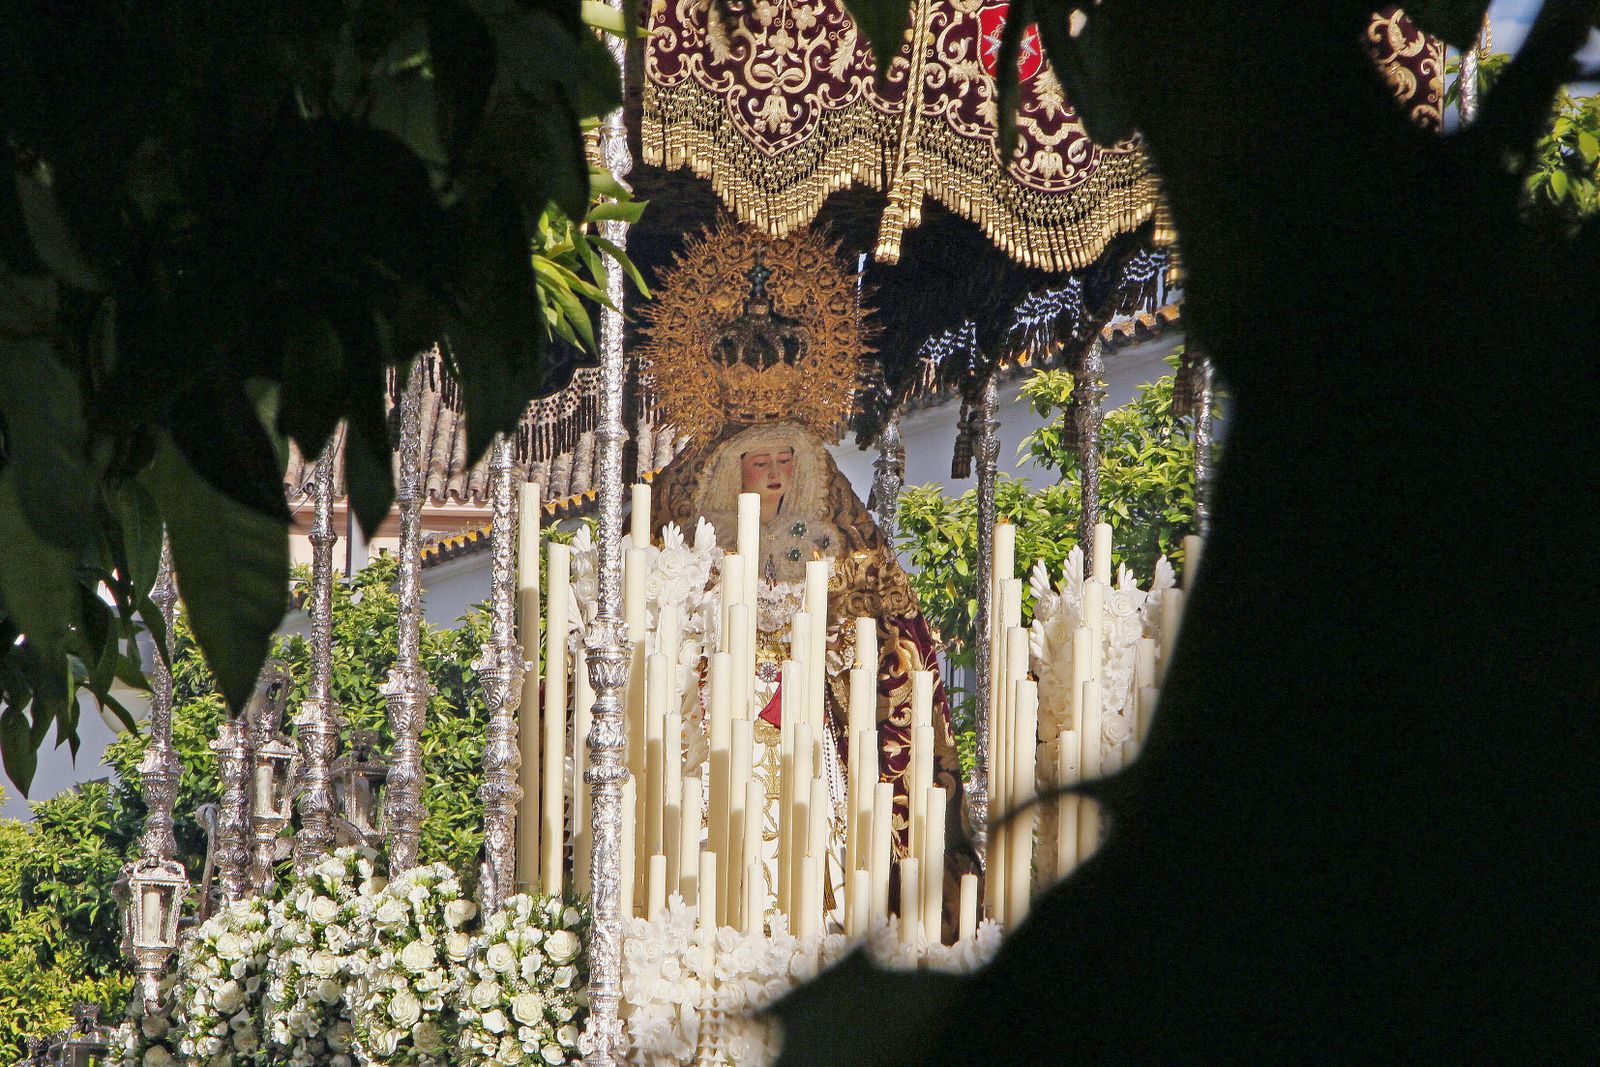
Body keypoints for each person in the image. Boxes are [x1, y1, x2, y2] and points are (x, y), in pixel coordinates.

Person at [652, 419, 977, 934]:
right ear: (734, 472)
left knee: (819, 816)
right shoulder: (701, 543)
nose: (775, 475)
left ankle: (823, 917)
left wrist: (832, 642)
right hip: (728, 713)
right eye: (761, 464)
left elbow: (873, 625)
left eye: (785, 461)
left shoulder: (828, 543)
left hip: (806, 709)